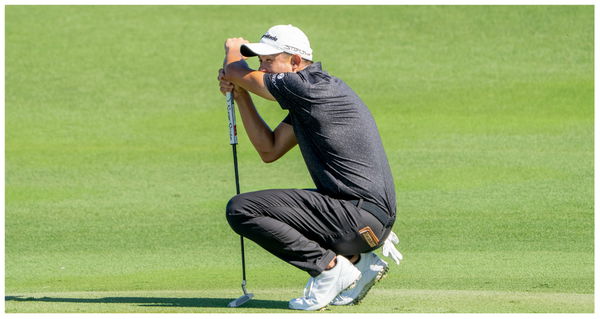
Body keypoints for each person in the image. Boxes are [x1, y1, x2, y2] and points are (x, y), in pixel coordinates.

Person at [217, 24, 402, 311]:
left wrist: (232, 53)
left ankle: (328, 268)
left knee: (242, 209)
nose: (262, 69)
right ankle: (357, 262)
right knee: (259, 209)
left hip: (359, 216)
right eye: (259, 62)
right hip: (363, 220)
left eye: (269, 61)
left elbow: (236, 71)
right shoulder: (309, 96)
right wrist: (241, 95)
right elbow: (270, 149)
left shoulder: (307, 86)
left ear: (294, 61)